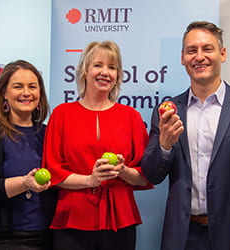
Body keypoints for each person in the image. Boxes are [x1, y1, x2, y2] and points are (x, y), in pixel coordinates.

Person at [141, 21, 230, 250]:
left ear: (222, 54)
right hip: (181, 237)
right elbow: (152, 175)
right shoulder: (167, 110)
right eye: (192, 50)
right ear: (183, 58)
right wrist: (164, 145)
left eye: (207, 49)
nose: (199, 56)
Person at [42, 41, 154, 250]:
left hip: (120, 219)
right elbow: (53, 170)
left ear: (118, 76)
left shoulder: (131, 117)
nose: (105, 72)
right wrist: (90, 180)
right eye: (98, 65)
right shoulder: (62, 114)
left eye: (112, 67)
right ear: (84, 70)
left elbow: (144, 175)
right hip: (72, 217)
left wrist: (122, 170)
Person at [0, 60, 57, 250]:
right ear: (4, 93)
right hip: (1, 240)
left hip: (46, 237)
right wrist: (24, 183)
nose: (26, 93)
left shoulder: (48, 134)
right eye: (18, 86)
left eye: (32, 86)